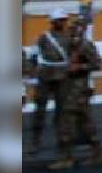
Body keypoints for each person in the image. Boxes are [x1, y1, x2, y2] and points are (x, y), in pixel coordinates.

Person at [50, 19, 102, 170]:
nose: (73, 31)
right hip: (66, 89)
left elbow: (97, 64)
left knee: (79, 123)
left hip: (79, 90)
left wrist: (80, 66)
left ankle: (89, 152)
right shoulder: (67, 45)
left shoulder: (86, 45)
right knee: (74, 122)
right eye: (72, 28)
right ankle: (69, 155)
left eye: (76, 29)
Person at [29, 8, 71, 157]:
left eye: (64, 20)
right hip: (45, 76)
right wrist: (33, 73)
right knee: (40, 111)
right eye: (61, 20)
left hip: (62, 77)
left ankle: (62, 141)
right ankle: (35, 141)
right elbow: (33, 55)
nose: (63, 22)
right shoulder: (43, 38)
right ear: (53, 22)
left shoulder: (69, 37)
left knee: (62, 112)